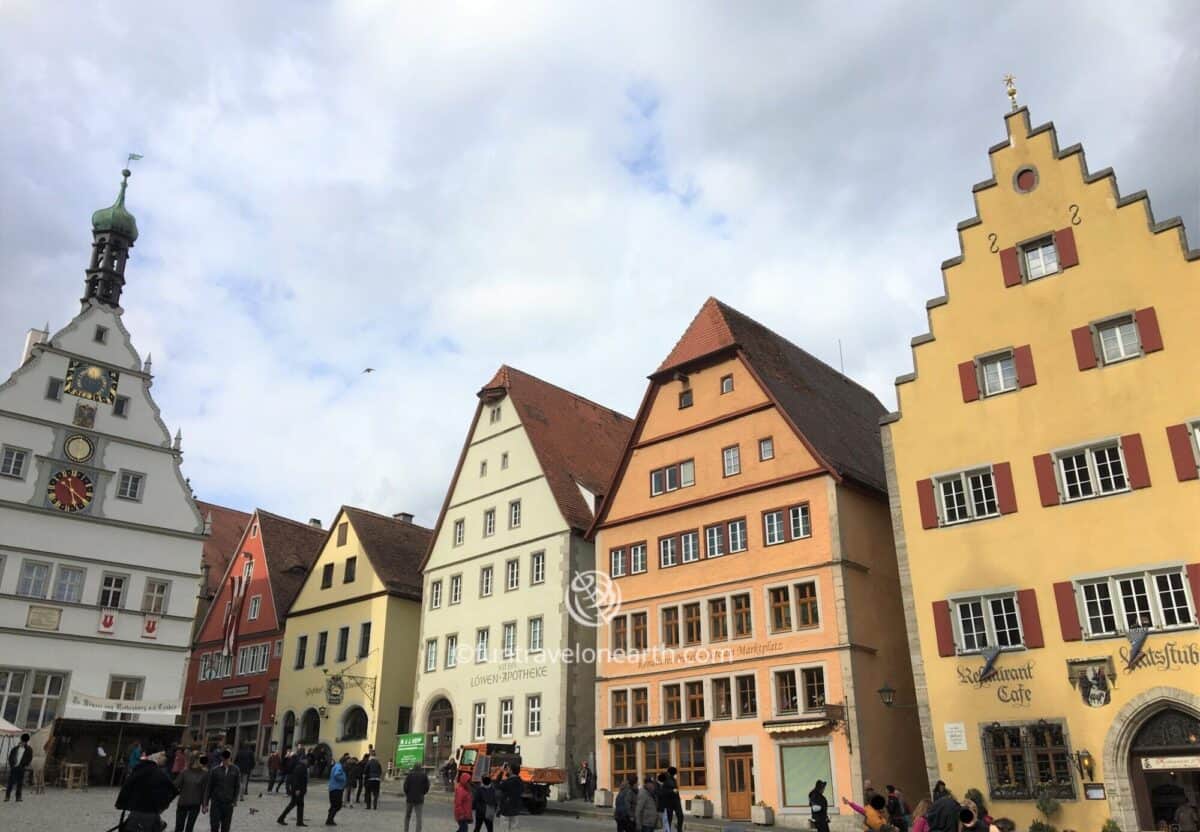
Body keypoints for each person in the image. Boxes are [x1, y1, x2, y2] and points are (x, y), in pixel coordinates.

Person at [116, 746, 180, 832]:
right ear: (155, 756)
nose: (165, 758)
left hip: (136, 813)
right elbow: (173, 790)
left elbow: (126, 788)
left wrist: (124, 804)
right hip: (150, 814)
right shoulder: (158, 772)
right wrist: (162, 806)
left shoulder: (139, 769)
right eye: (162, 755)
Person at [204, 749, 241, 832]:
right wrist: (205, 803)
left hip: (228, 803)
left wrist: (234, 800)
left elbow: (237, 786)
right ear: (222, 758)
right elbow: (209, 787)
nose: (227, 760)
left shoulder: (235, 770)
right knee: (214, 825)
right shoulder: (215, 770)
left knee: (226, 827)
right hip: (216, 802)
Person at [174, 753, 210, 832]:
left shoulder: (204, 774)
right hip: (183, 803)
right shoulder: (184, 772)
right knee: (179, 828)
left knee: (189, 828)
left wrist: (205, 805)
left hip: (195, 804)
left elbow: (205, 791)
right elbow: (175, 786)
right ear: (194, 760)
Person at [277, 747, 309, 827]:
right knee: (293, 804)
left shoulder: (298, 763)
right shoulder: (300, 765)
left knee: (300, 805)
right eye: (306, 759)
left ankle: (299, 821)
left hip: (299, 788)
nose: (307, 761)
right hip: (297, 788)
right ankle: (281, 818)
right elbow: (296, 777)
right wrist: (297, 789)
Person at [5, 732, 34, 802]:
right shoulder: (15, 749)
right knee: (10, 783)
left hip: (21, 768)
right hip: (14, 767)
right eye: (22, 741)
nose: (22, 742)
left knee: (20, 783)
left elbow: (30, 758)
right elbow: (10, 757)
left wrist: (24, 764)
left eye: (24, 742)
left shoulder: (29, 749)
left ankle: (18, 797)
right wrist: (12, 764)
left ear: (26, 742)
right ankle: (7, 796)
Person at [403, 763, 430, 832]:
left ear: (414, 767)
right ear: (420, 768)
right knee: (419, 817)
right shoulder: (424, 776)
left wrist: (407, 793)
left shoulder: (409, 775)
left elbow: (405, 786)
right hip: (419, 799)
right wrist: (423, 793)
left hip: (410, 798)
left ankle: (406, 830)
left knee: (407, 816)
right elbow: (427, 787)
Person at [498, 764, 525, 830]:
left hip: (506, 808)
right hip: (516, 807)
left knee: (504, 827)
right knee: (513, 827)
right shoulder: (520, 781)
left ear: (511, 771)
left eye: (508, 769)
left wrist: (501, 772)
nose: (507, 770)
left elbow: (497, 784)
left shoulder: (508, 782)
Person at [326, 754, 348, 826]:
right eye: (346, 763)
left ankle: (329, 819)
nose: (346, 765)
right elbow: (336, 775)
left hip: (333, 788)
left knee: (333, 805)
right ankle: (330, 819)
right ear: (344, 762)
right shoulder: (339, 767)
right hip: (336, 788)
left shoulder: (336, 766)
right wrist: (343, 779)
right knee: (337, 805)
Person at [663, 766, 683, 832]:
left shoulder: (673, 779)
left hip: (676, 801)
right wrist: (672, 791)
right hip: (669, 802)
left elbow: (676, 790)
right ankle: (667, 830)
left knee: (680, 816)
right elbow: (664, 791)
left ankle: (679, 829)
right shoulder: (665, 780)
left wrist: (678, 799)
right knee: (669, 818)